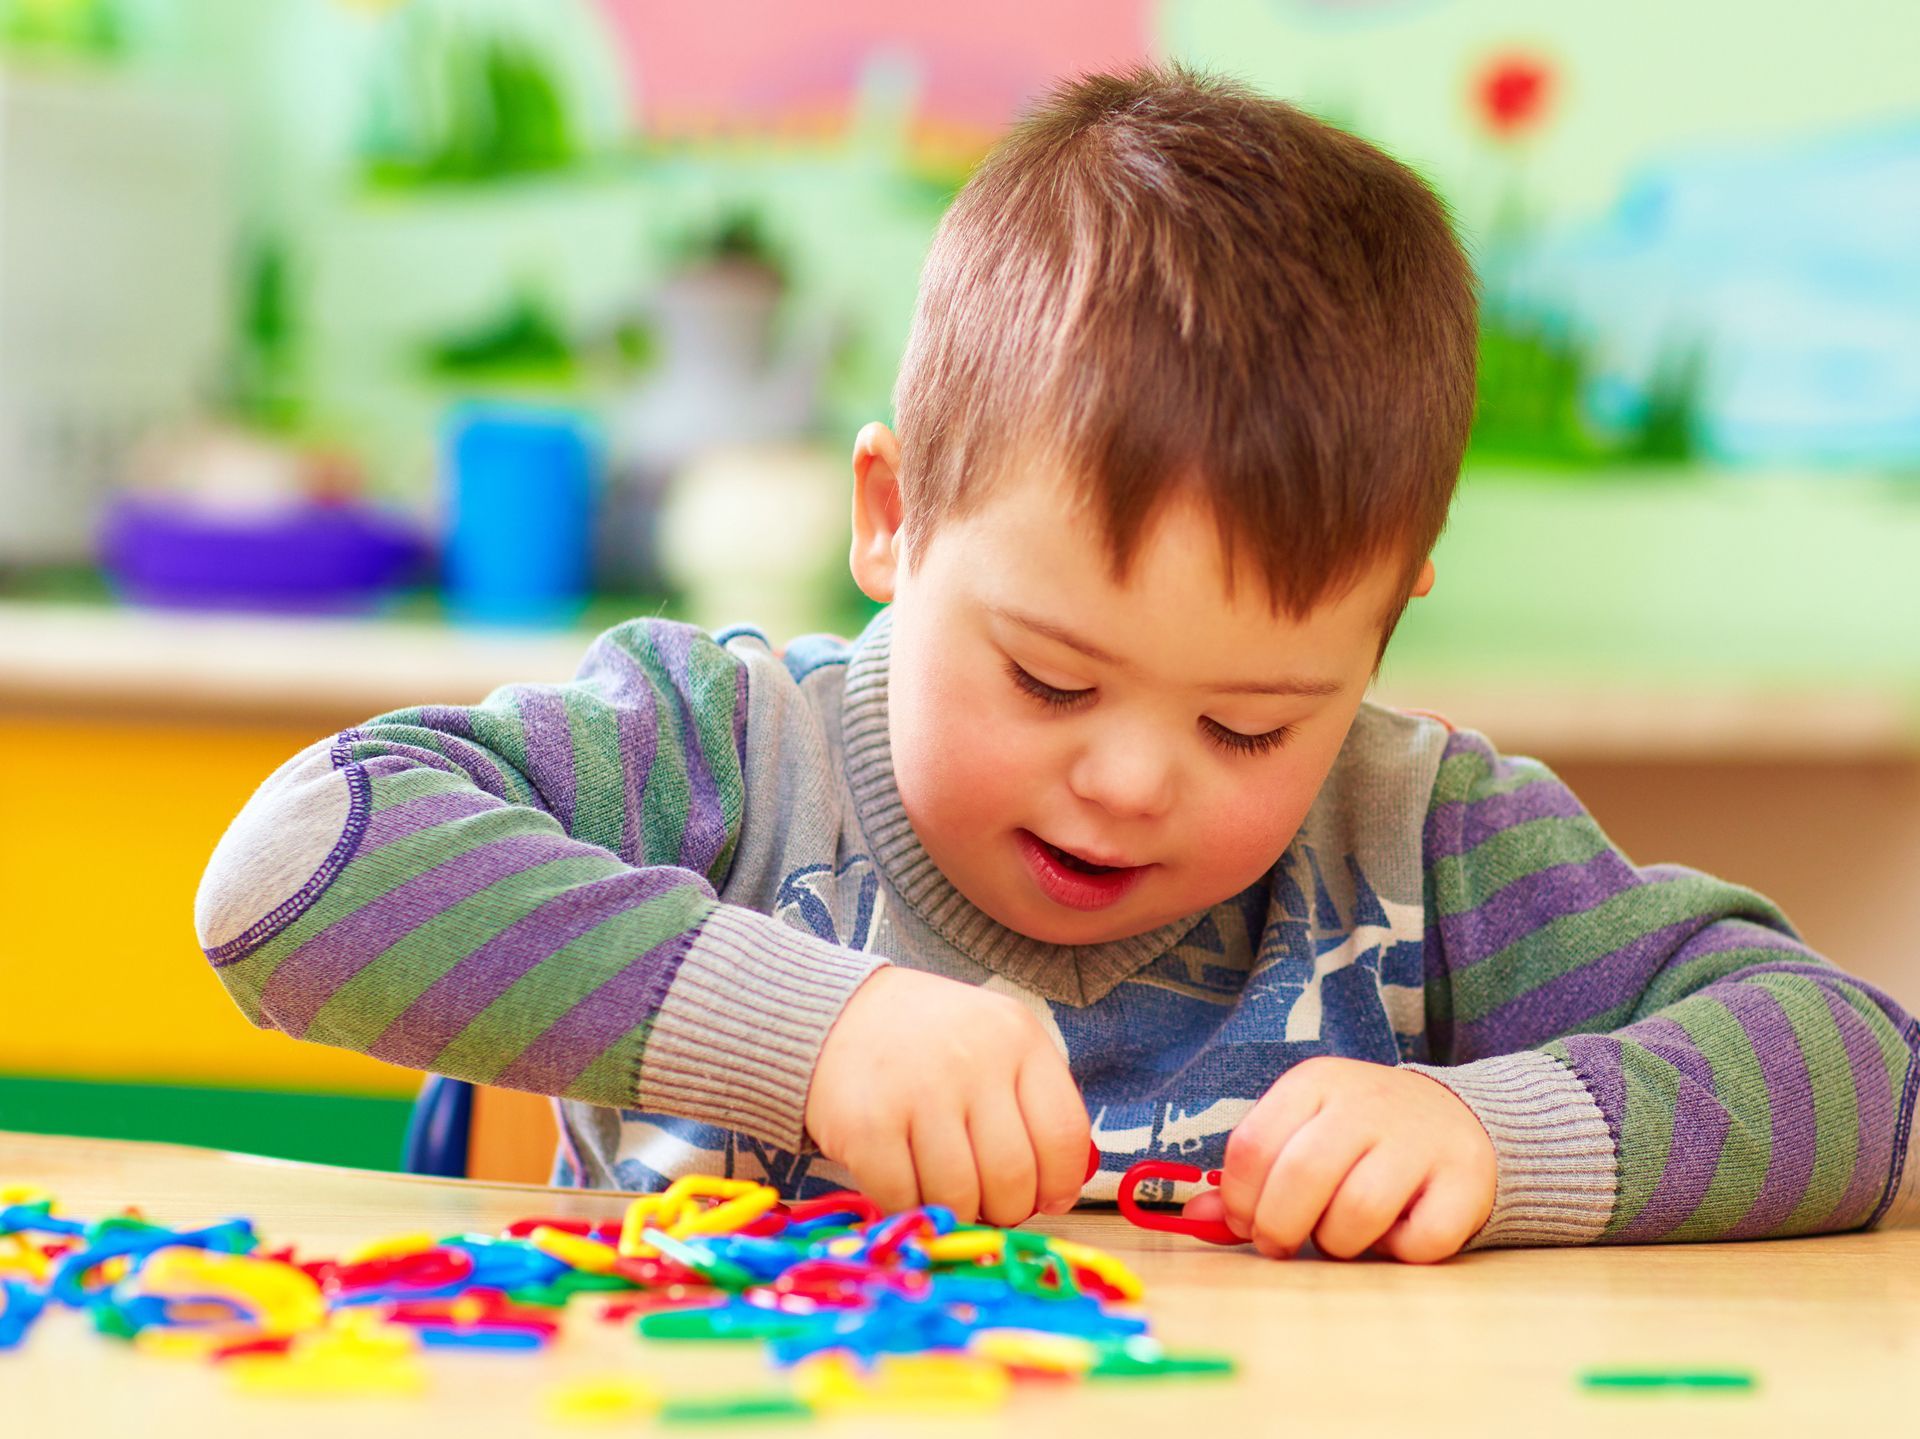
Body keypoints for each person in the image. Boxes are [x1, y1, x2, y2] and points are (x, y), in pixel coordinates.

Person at [195, 64, 1918, 1262]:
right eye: (1048, 679)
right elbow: (288, 874)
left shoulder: (1430, 839)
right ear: (892, 522)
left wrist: (1505, 1139)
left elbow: (1872, 1079)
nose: (1130, 779)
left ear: (1382, 629)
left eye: (1253, 722)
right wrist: (815, 1033)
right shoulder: (727, 753)